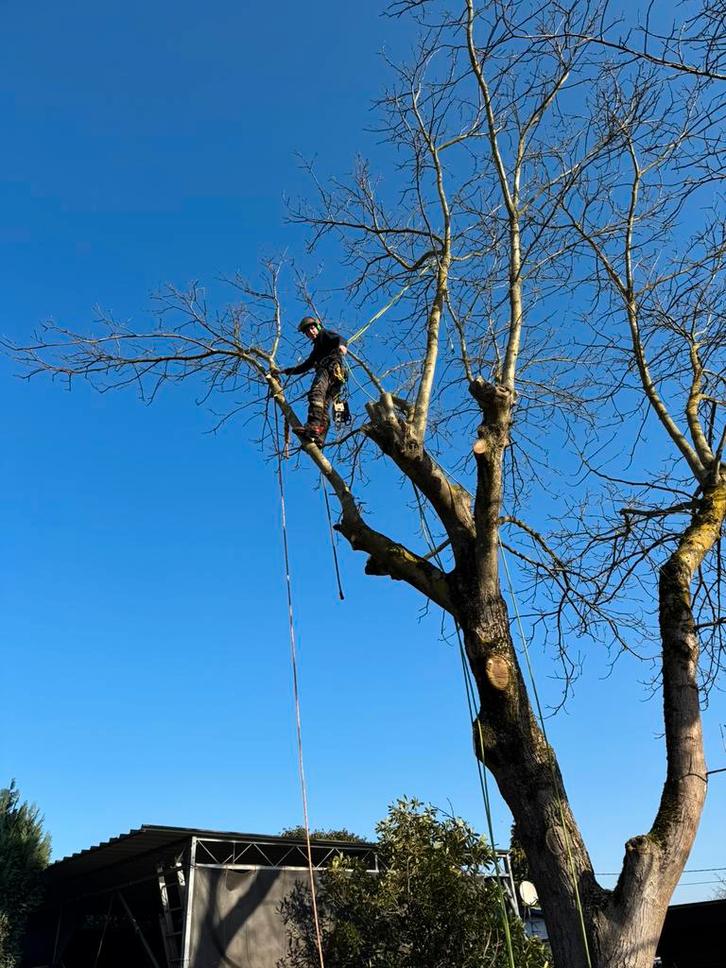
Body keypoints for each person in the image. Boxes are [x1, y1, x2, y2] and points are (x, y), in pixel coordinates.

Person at [274, 316, 348, 445]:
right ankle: (319, 436)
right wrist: (284, 371)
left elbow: (339, 338)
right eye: (308, 332)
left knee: (316, 393)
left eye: (312, 328)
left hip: (329, 369)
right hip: (336, 377)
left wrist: (342, 345)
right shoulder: (316, 350)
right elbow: (305, 366)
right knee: (324, 405)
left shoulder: (324, 334)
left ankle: (313, 426)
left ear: (318, 327)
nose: (311, 332)